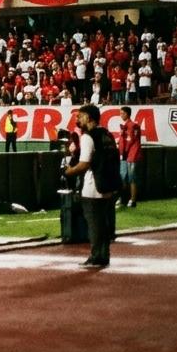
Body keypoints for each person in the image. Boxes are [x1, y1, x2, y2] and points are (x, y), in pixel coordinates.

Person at [63, 104, 114, 268]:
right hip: (107, 184)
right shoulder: (107, 134)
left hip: (93, 187)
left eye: (80, 116)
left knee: (94, 224)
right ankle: (104, 255)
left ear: (89, 117)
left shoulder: (87, 137)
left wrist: (69, 171)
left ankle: (96, 256)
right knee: (103, 224)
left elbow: (84, 164)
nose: (77, 119)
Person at [117, 106, 142, 208]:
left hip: (131, 154)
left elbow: (131, 140)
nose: (120, 115)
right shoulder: (126, 125)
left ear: (127, 114)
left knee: (131, 178)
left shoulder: (132, 125)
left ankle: (132, 200)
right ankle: (122, 199)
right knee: (123, 176)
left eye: (122, 113)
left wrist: (125, 151)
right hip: (124, 154)